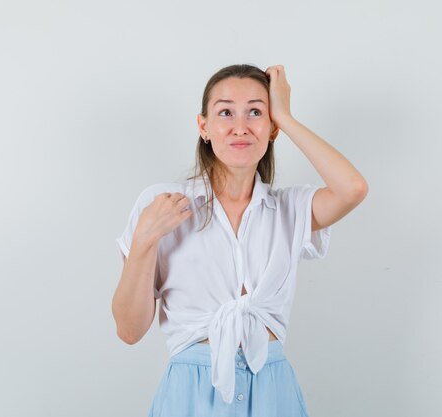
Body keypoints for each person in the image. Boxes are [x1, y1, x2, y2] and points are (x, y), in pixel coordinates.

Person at [112, 63, 368, 417]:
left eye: (255, 112)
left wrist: (287, 117)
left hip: (273, 392)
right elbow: (129, 330)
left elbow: (352, 189)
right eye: (226, 112)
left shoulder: (288, 209)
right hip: (191, 394)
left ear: (272, 128)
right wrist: (143, 241)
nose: (240, 127)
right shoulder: (163, 204)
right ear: (204, 126)